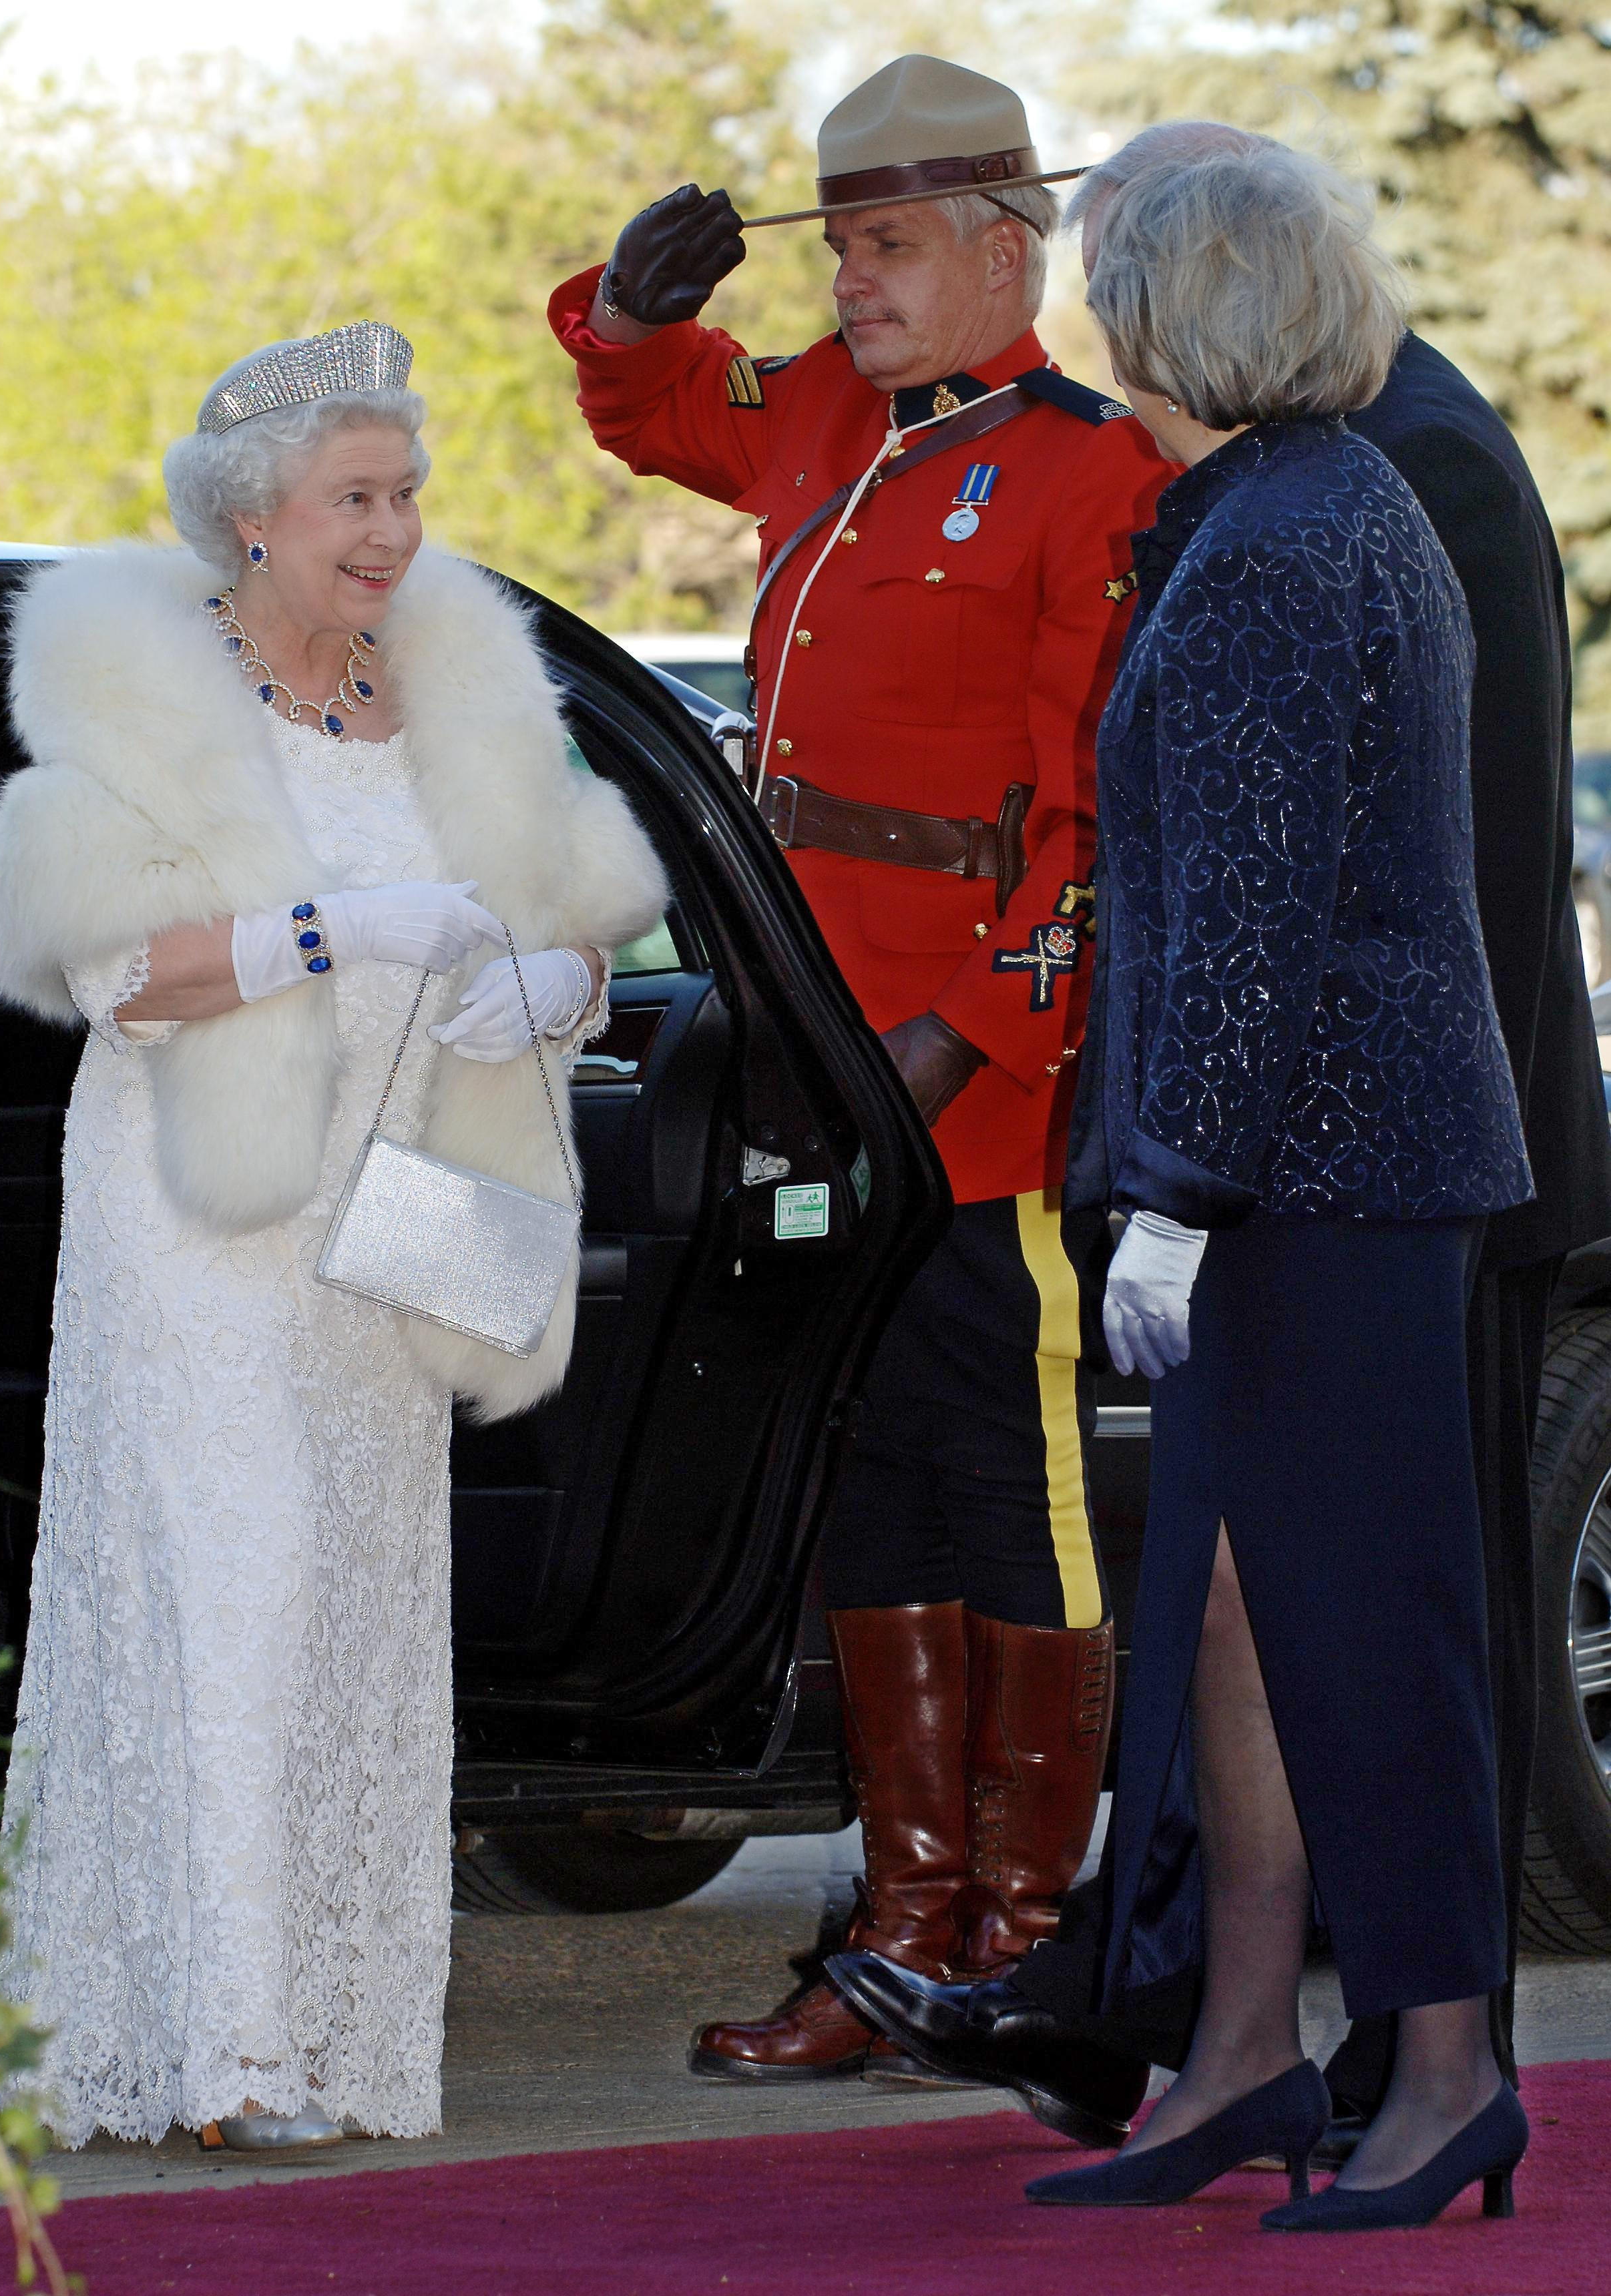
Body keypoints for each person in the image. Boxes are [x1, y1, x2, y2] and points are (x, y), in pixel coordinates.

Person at [829, 117, 1611, 2163]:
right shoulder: (1290, 501)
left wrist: (1171, 1194)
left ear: (1184, 304)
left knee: (1370, 1631)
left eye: (1110, 282)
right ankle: (1245, 2050)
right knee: (1253, 1624)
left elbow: (1265, 922)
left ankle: (1442, 2083)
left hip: (1324, 1181)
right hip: (1321, 1173)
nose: (1090, 320)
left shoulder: (1286, 535)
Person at [548, 53, 1175, 2082]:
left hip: (969, 1085)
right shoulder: (826, 411)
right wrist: (634, 312)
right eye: (837, 247)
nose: (854, 286)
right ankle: (905, 1935)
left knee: (1012, 1496)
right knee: (866, 1494)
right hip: (810, 1062)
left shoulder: (1102, 475)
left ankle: (1031, 1936)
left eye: (891, 245)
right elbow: (655, 413)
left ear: (1012, 249)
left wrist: (968, 1034)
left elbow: (1093, 822)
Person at [0, 324, 667, 2151]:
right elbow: (118, 973)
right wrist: (346, 926)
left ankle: (327, 2033)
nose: (394, 528)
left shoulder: (456, 684)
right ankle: (228, 2046)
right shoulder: (148, 694)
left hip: (388, 1220)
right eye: (357, 497)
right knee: (243, 1578)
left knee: (357, 1604)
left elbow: (585, 915)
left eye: (408, 492)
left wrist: (554, 981)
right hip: (194, 1216)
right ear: (253, 519)